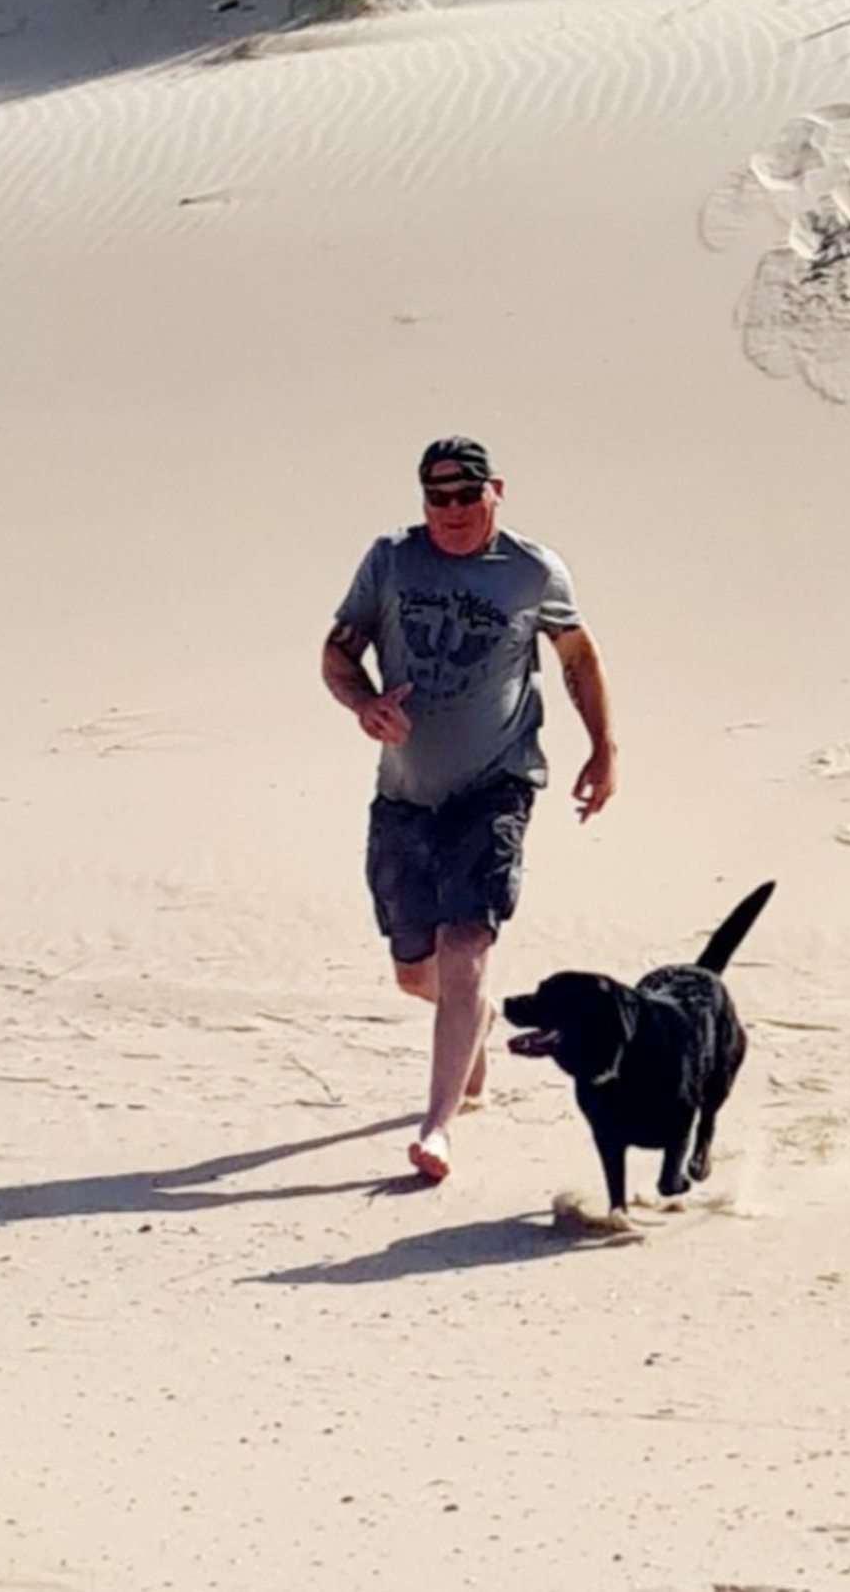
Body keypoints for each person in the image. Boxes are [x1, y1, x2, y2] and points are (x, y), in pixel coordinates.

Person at [321, 436, 616, 1183]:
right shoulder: (391, 559)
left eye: (466, 496)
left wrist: (603, 747)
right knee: (415, 971)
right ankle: (473, 1019)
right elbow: (337, 650)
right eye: (437, 498)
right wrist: (363, 703)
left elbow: (577, 657)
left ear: (496, 491)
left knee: (466, 947)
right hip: (404, 796)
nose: (451, 511)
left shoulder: (531, 570)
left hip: (496, 784)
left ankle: (438, 1126)